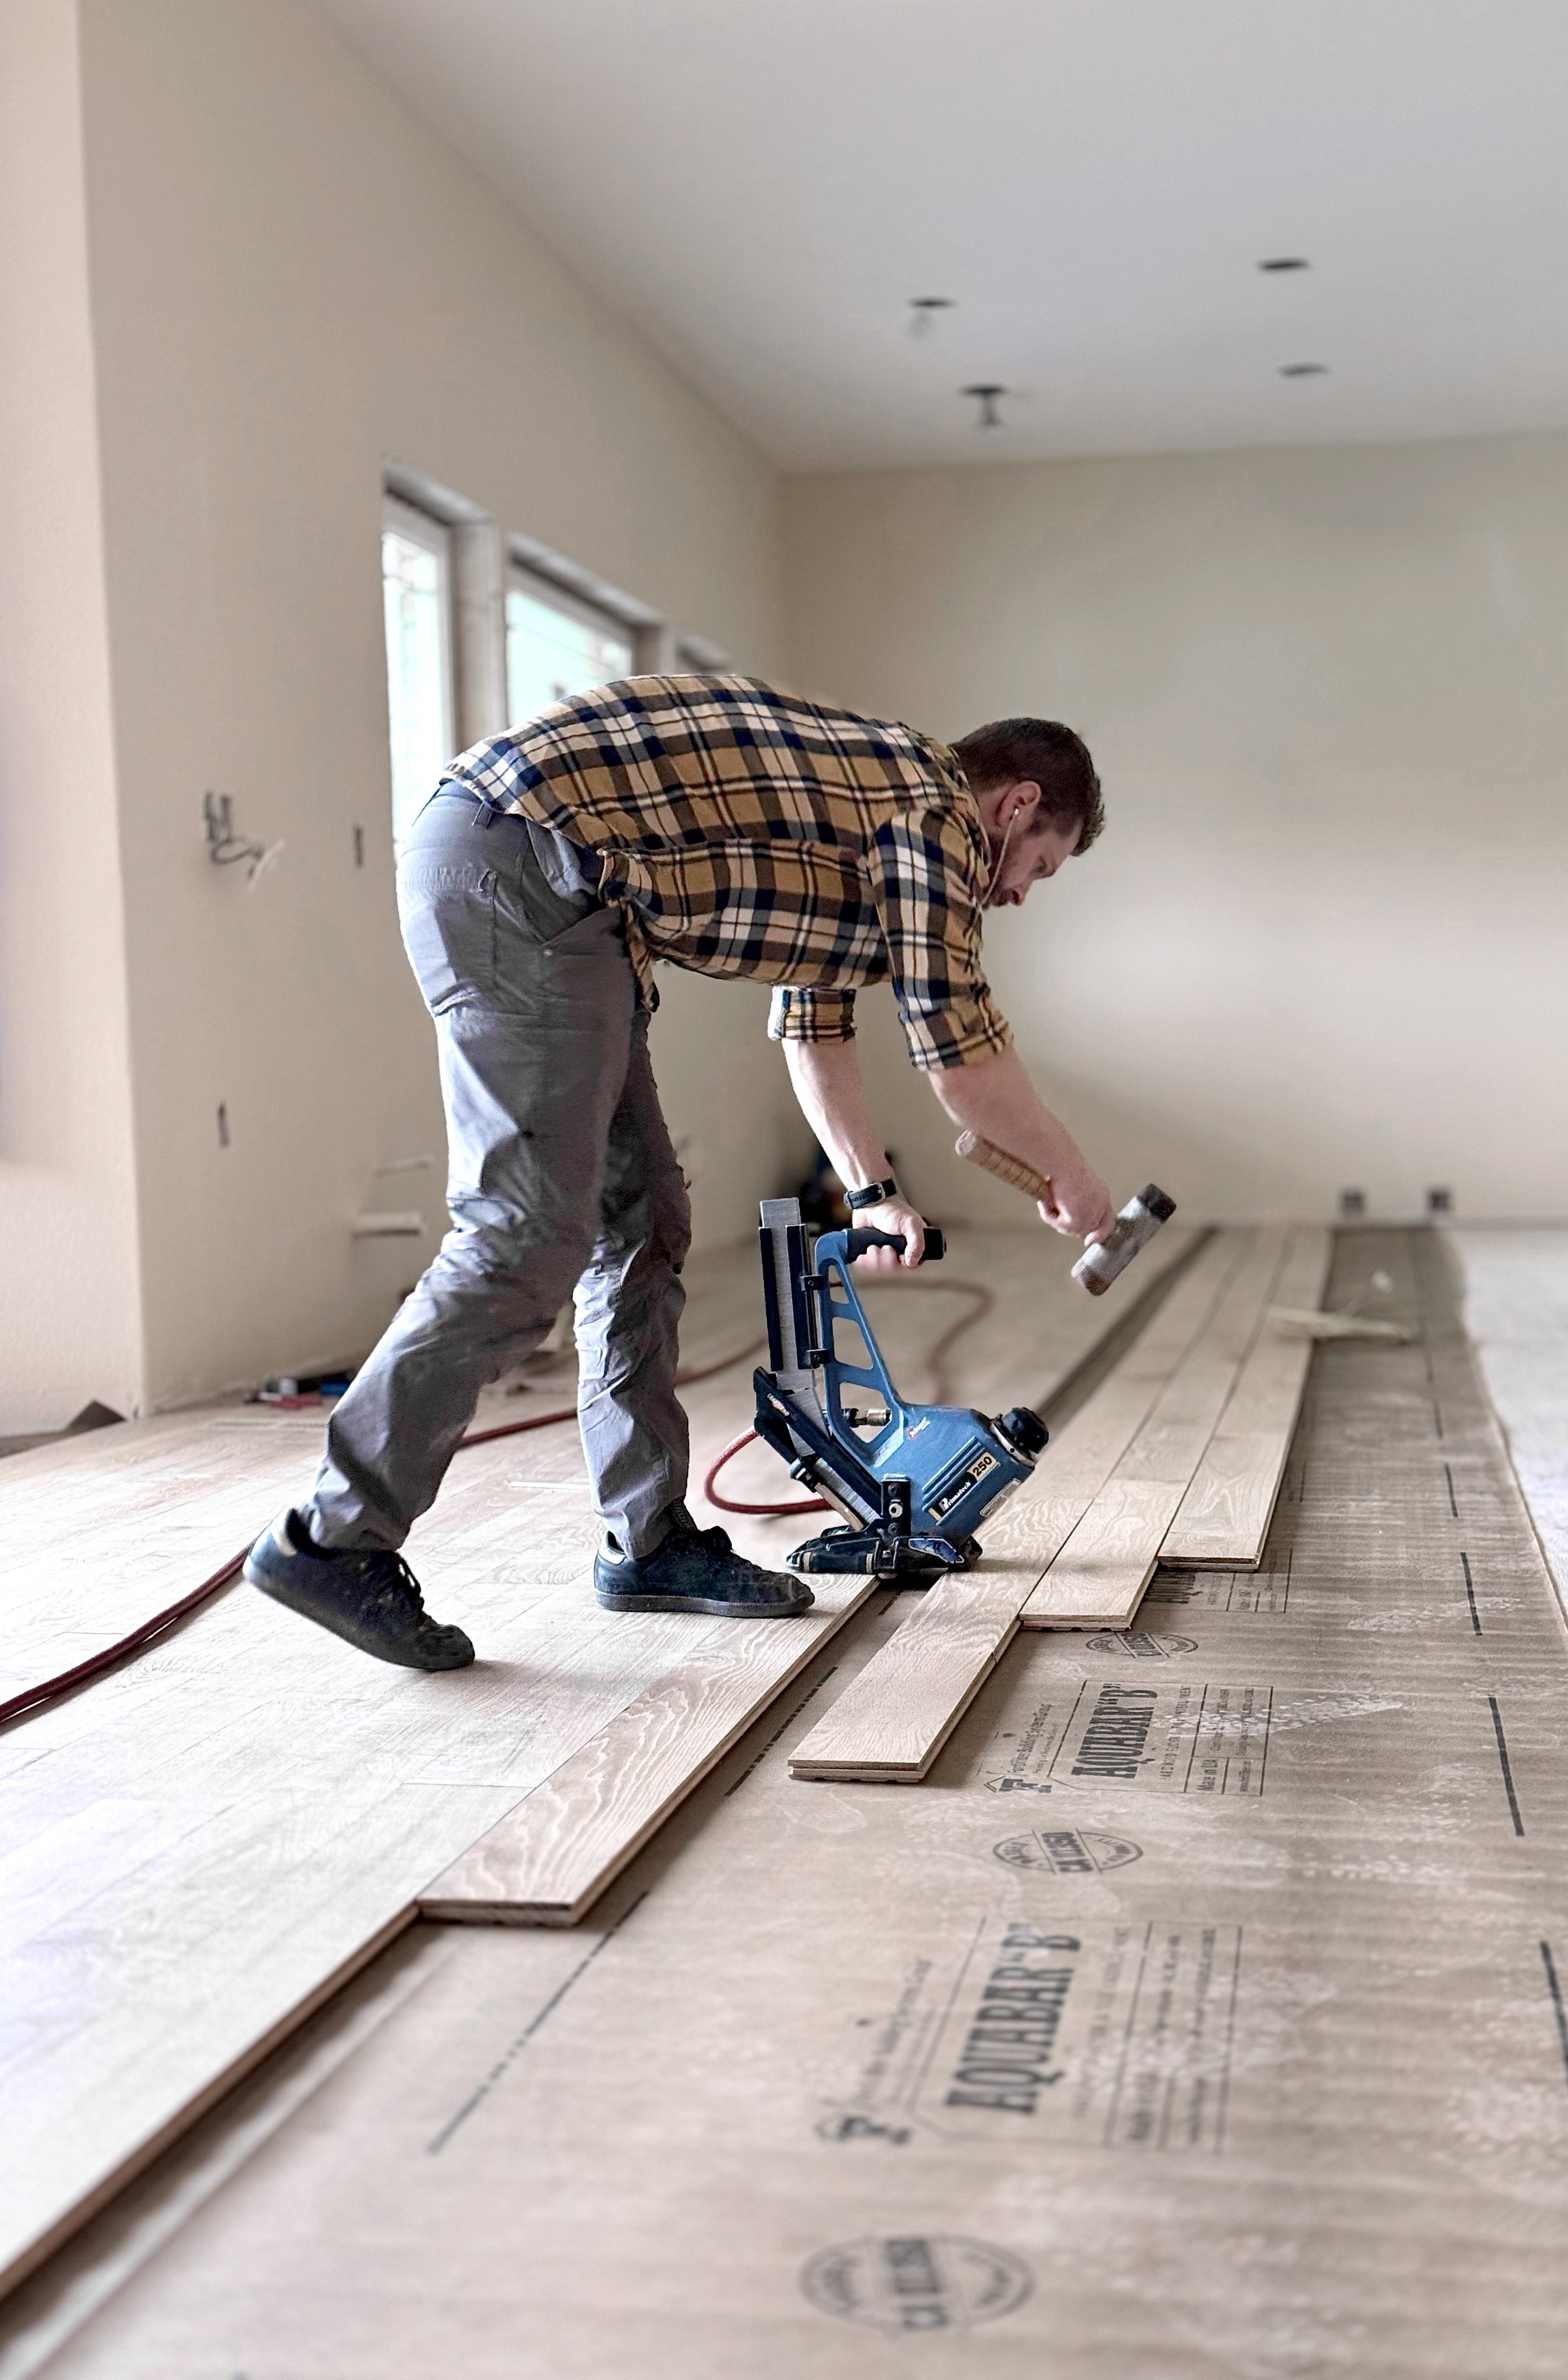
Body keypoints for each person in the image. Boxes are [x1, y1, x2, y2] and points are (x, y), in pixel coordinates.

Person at [244, 675, 1115, 1669]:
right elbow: (958, 1051)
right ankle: (335, 1533)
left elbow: (815, 1023)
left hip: (557, 887)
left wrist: (871, 1189)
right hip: (526, 865)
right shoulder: (935, 816)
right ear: (1017, 806)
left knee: (642, 1222)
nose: (1015, 894)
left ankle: (647, 1539)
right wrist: (1077, 1182)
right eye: (1037, 868)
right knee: (526, 1233)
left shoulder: (866, 809)